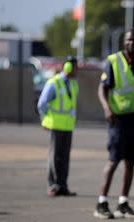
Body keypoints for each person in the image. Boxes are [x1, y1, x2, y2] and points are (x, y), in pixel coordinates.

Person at [94, 29, 134, 219]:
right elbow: (102, 89)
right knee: (113, 160)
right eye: (128, 40)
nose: (131, 42)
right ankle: (101, 203)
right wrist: (107, 109)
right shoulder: (113, 61)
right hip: (119, 119)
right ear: (123, 43)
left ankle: (122, 203)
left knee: (130, 162)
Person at [37, 57, 79, 197]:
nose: (77, 70)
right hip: (55, 125)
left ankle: (63, 185)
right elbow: (42, 104)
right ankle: (53, 185)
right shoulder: (54, 83)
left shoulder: (73, 84)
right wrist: (45, 120)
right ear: (67, 67)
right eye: (75, 67)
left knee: (65, 157)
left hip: (67, 126)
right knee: (54, 156)